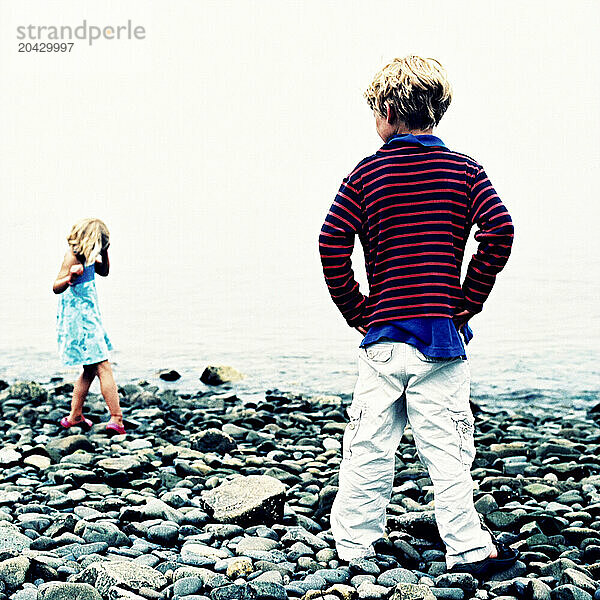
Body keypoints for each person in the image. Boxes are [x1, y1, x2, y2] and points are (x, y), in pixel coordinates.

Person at [319, 56, 517, 578]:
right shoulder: (466, 170)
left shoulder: (365, 173)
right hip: (440, 341)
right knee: (448, 450)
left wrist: (355, 309)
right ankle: (467, 548)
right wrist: (469, 299)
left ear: (387, 111)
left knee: (367, 444)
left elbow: (331, 241)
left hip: (382, 339)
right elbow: (500, 231)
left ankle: (354, 544)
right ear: (437, 111)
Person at [53, 218, 125, 435]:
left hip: (89, 316)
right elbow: (55, 287)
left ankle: (74, 416)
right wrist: (70, 277)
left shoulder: (91, 256)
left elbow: (104, 272)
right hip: (80, 320)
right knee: (104, 366)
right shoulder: (72, 257)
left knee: (89, 369)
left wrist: (106, 253)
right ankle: (117, 418)